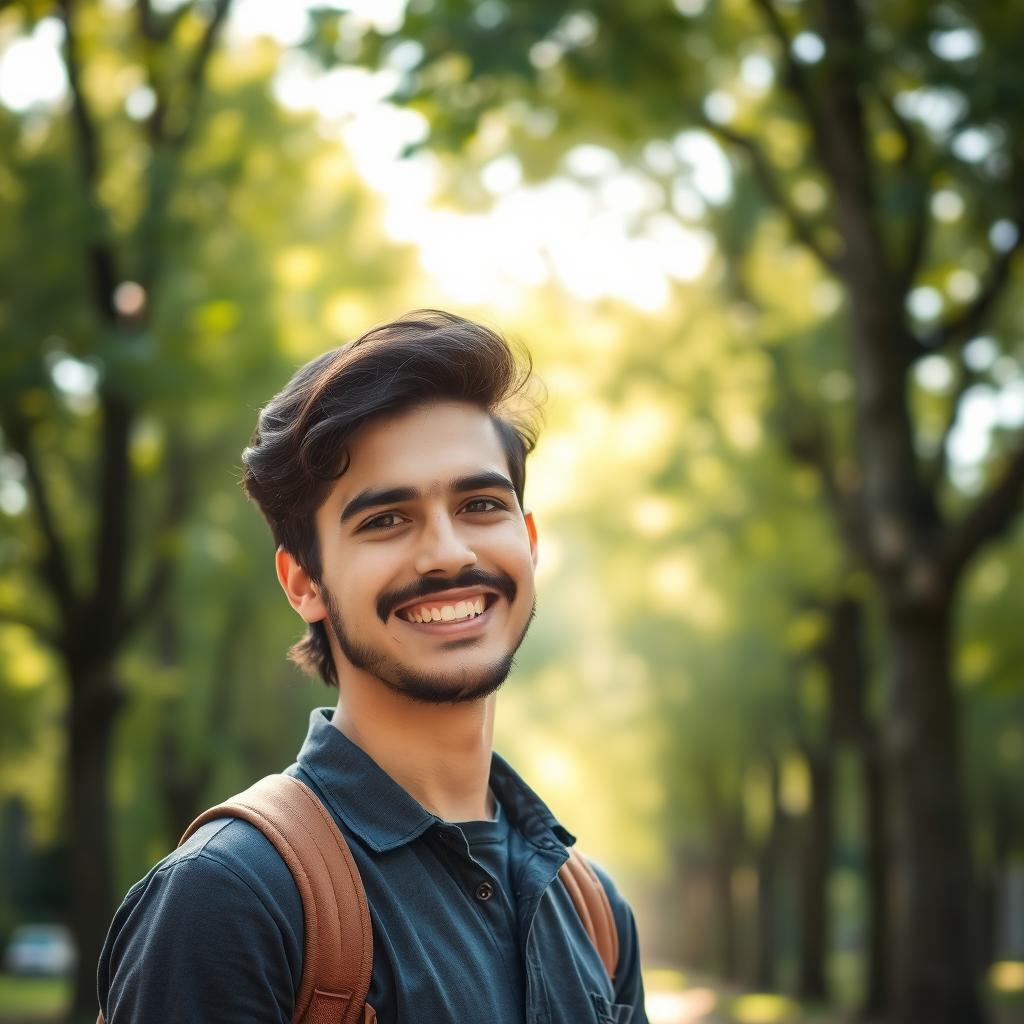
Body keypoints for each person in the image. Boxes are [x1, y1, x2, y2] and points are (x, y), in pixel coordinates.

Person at [97, 310, 648, 1023]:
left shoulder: (597, 914)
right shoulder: (231, 898)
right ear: (304, 583)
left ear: (529, 540)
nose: (449, 553)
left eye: (481, 504)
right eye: (386, 519)